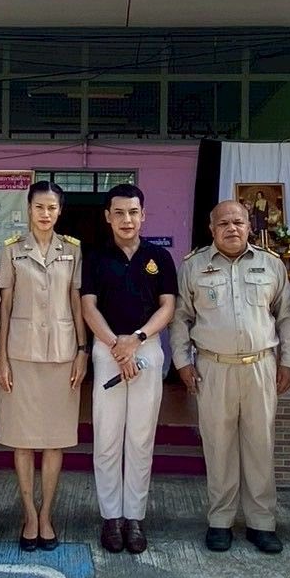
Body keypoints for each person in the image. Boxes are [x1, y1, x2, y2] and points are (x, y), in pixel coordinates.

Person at [172, 199, 290, 555]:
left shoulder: (271, 265)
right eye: (223, 223)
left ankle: (262, 523)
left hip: (260, 367)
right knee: (218, 446)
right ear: (212, 229)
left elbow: (285, 316)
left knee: (260, 446)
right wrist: (181, 362)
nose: (231, 228)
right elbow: (181, 317)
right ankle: (220, 521)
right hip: (213, 367)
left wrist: (288, 362)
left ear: (249, 226)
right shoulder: (194, 266)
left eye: (238, 222)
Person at [80, 183, 176, 554]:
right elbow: (88, 306)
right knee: (107, 438)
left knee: (140, 437)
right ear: (108, 216)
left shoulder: (159, 257)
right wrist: (115, 345)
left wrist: (136, 339)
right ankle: (111, 518)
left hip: (146, 348)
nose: (127, 219)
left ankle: (134, 518)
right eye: (119, 213)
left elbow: (167, 307)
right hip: (108, 350)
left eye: (133, 212)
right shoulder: (95, 256)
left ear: (143, 215)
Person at [0, 181, 87, 551]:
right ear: (29, 209)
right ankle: (28, 515)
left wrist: (82, 350)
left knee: (54, 440)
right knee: (22, 440)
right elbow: (4, 306)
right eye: (39, 207)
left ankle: (46, 514)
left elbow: (76, 301)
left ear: (60, 211)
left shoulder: (73, 250)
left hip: (62, 356)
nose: (45, 214)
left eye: (52, 207)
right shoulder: (12, 250)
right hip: (20, 355)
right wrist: (1, 358)